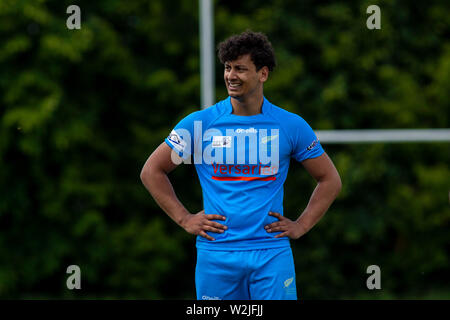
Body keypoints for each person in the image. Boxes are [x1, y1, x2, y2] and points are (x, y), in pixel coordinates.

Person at [140, 30, 342, 300]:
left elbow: (329, 179)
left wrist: (302, 225)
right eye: (227, 68)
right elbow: (152, 171)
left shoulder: (290, 125)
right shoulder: (200, 124)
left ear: (263, 73)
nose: (231, 76)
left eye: (240, 69)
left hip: (271, 254)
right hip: (217, 255)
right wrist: (185, 218)